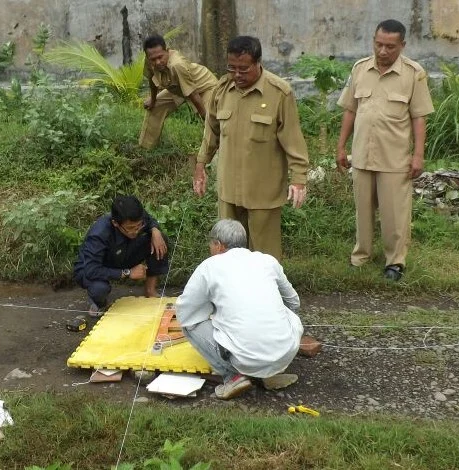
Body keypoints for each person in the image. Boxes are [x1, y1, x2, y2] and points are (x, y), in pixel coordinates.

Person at [193, 36, 309, 261]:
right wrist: (200, 165)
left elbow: (293, 141)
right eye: (231, 68)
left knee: (264, 256)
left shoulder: (279, 93)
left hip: (262, 192)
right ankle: (230, 294)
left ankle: (266, 295)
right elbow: (212, 132)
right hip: (228, 191)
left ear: (258, 63)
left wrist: (299, 179)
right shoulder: (221, 90)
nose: (237, 75)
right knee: (226, 252)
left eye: (243, 69)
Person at [336, 19, 434, 281]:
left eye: (390, 46)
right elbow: (350, 110)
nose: (383, 51)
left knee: (395, 215)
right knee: (362, 211)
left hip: (394, 157)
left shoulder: (414, 74)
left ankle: (395, 262)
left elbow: (419, 117)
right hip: (362, 155)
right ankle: (361, 256)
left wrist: (418, 155)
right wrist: (341, 146)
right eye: (378, 44)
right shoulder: (359, 69)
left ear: (402, 45)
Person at [175, 219, 303, 399]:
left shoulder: (209, 266)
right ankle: (270, 373)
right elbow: (293, 300)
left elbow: (185, 310)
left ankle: (232, 377)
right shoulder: (267, 260)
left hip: (245, 358)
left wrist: (211, 313)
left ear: (218, 245)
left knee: (190, 324)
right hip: (285, 354)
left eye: (211, 244)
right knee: (286, 312)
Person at [73, 195, 168, 317]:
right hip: (93, 266)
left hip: (122, 253)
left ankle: (150, 291)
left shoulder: (136, 216)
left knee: (159, 240)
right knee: (99, 289)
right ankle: (99, 303)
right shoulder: (99, 234)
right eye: (130, 228)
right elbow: (91, 270)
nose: (135, 231)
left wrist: (155, 230)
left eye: (138, 226)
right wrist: (128, 272)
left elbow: (149, 220)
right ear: (115, 223)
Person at [139, 34, 218, 149]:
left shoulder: (177, 65)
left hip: (204, 87)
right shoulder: (149, 62)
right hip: (177, 88)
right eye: (153, 59)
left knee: (210, 119)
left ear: (167, 51)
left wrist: (204, 116)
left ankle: (214, 154)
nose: (157, 62)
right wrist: (153, 100)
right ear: (147, 56)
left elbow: (193, 94)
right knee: (155, 107)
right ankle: (146, 147)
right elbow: (152, 79)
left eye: (160, 57)